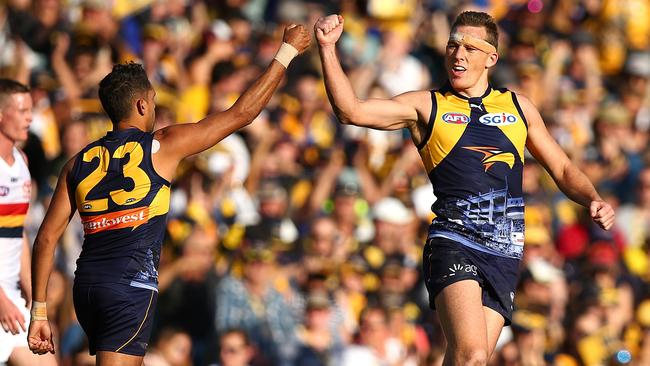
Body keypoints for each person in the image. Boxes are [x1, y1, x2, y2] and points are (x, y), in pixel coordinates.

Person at [314, 11, 615, 365]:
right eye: (453, 45)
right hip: (454, 242)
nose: (458, 55)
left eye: (470, 48)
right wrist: (327, 49)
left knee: (467, 359)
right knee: (471, 356)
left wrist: (593, 198)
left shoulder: (518, 107)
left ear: (491, 58)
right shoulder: (426, 105)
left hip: (505, 250)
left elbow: (563, 168)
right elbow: (351, 111)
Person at [26, 23, 310, 366]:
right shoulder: (162, 146)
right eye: (155, 101)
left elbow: (44, 240)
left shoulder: (78, 161)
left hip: (86, 287)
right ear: (142, 105)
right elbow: (242, 113)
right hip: (129, 288)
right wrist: (287, 52)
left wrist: (39, 311)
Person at [0, 79, 56, 366]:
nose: (30, 118)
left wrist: (37, 303)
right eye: (22, 111)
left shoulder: (21, 162)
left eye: (30, 110)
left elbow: (16, 233)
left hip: (10, 298)